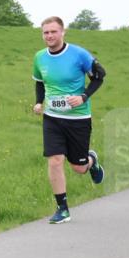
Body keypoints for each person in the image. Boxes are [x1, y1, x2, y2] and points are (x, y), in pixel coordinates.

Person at [31, 16, 106, 224]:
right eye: (45, 32)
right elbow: (39, 82)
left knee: (78, 168)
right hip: (52, 118)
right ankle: (62, 209)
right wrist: (39, 102)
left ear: (63, 32)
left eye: (53, 31)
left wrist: (83, 96)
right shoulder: (39, 57)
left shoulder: (79, 54)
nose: (49, 36)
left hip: (78, 118)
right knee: (55, 161)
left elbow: (100, 76)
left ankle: (91, 161)